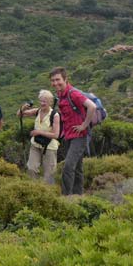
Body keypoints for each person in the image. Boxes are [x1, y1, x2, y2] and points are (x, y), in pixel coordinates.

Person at [50, 67, 97, 195]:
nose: (55, 83)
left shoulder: (73, 93)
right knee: (77, 168)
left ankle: (66, 197)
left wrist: (84, 125)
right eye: (53, 80)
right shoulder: (61, 95)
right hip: (69, 136)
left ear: (65, 79)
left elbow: (92, 106)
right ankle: (78, 196)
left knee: (68, 167)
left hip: (79, 136)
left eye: (58, 80)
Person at [18, 90, 61, 185]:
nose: (42, 103)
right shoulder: (37, 111)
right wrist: (23, 107)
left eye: (44, 101)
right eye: (41, 101)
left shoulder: (55, 115)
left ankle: (48, 192)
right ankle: (34, 189)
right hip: (35, 145)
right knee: (31, 168)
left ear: (50, 102)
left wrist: (39, 132)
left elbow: (55, 135)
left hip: (49, 147)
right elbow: (20, 115)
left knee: (49, 174)